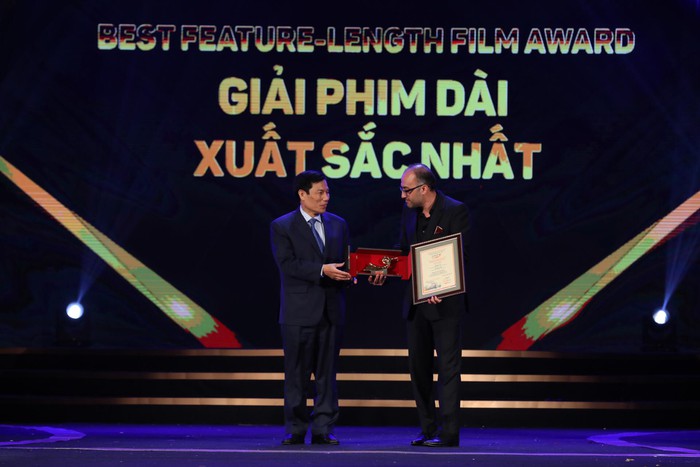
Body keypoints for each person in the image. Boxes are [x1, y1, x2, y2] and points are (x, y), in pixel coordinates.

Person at [370, 163, 469, 447]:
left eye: (406, 190)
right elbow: (403, 251)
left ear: (424, 189)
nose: (403, 196)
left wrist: (442, 286)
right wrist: (384, 271)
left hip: (445, 305)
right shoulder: (409, 213)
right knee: (419, 369)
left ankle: (448, 433)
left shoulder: (455, 211)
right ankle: (428, 429)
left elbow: (460, 253)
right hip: (416, 304)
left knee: (448, 370)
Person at [270, 170, 352, 446]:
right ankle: (295, 428)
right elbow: (287, 265)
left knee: (327, 374)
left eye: (327, 192)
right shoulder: (282, 226)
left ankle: (323, 428)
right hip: (298, 313)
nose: (326, 198)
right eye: (320, 192)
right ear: (302, 194)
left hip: (331, 310)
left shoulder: (338, 224)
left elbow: (346, 262)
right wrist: (322, 270)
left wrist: (353, 274)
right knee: (297, 374)